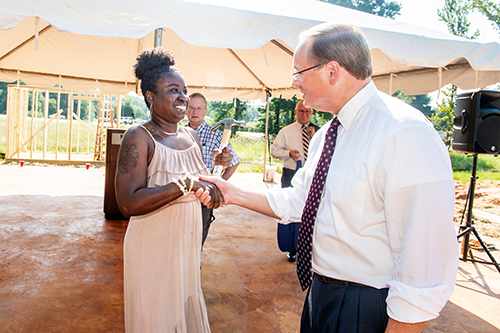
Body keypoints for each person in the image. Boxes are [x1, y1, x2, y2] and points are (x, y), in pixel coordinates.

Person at [198, 23, 458, 332]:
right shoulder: (327, 135)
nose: (294, 82)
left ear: (331, 71)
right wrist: (232, 193)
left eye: (299, 71)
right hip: (320, 295)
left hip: (367, 305)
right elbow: (301, 200)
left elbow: (424, 261)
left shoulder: (403, 132)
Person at [115, 47, 225, 333]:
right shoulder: (139, 137)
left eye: (185, 91)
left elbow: (202, 186)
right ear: (151, 97)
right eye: (174, 90)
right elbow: (127, 203)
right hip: (153, 246)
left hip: (187, 244)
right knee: (157, 315)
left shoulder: (191, 136)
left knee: (182, 309)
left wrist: (215, 177)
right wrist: (183, 185)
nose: (183, 97)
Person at [186, 92, 241, 246]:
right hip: (182, 193)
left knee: (198, 234)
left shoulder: (216, 135)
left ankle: (194, 264)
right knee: (181, 232)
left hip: (204, 194)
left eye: (199, 108)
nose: (195, 112)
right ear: (185, 110)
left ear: (205, 111)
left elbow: (234, 162)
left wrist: (219, 183)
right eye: (191, 107)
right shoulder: (179, 133)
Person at [271, 100, 316, 262]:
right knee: (289, 209)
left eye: (308, 112)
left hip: (313, 176)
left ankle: (308, 248)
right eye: (301, 111)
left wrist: (313, 137)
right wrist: (288, 153)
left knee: (310, 212)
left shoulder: (319, 132)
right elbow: (274, 151)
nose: (304, 115)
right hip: (291, 174)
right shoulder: (286, 131)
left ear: (312, 113)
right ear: (295, 112)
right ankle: (291, 247)